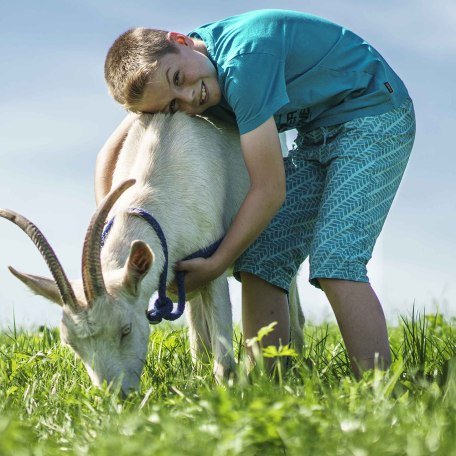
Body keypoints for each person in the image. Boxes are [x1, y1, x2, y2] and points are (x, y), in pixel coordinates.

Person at [97, 9, 416, 376]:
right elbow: (108, 156)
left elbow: (269, 189)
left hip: (374, 117)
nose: (188, 98)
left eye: (179, 79)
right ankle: (272, 383)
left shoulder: (243, 64)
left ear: (180, 41)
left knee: (335, 260)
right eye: (173, 106)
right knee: (260, 259)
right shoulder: (164, 72)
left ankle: (380, 388)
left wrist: (216, 264)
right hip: (318, 137)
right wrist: (113, 237)